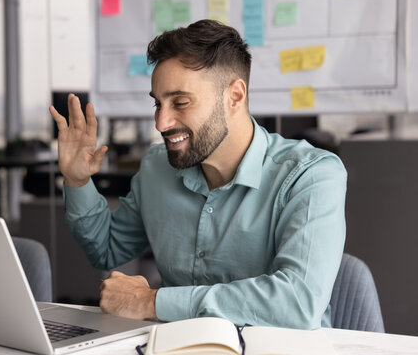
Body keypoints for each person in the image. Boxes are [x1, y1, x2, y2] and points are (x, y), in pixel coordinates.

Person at [50, 19, 346, 329]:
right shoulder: (157, 168)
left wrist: (151, 301)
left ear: (234, 96)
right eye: (157, 103)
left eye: (180, 102)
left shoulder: (311, 175)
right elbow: (106, 248)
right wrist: (77, 180)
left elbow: (298, 303)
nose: (161, 122)